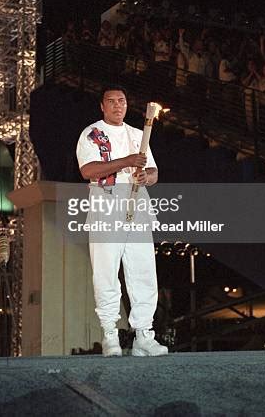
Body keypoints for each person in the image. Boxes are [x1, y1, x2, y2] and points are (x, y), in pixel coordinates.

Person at [76, 85, 168, 357]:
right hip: (106, 207)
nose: (118, 105)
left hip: (138, 207)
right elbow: (88, 170)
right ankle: (110, 335)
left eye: (122, 101)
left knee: (143, 272)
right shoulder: (91, 135)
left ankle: (143, 335)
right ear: (102, 106)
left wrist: (145, 177)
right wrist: (125, 161)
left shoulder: (138, 135)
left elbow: (153, 172)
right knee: (106, 273)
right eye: (111, 101)